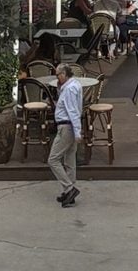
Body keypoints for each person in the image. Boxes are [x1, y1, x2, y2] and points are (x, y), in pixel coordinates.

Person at [49, 64, 82, 207]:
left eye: (58, 75)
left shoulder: (69, 89)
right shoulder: (74, 85)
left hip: (66, 126)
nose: (57, 77)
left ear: (64, 74)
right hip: (70, 126)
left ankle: (69, 188)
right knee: (69, 160)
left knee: (53, 159)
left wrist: (77, 131)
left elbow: (72, 111)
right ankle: (69, 192)